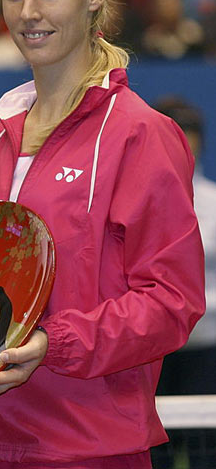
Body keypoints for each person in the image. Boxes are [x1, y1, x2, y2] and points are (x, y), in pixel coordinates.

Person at [0, 0, 205, 469]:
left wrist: (53, 345)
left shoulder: (140, 135)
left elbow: (172, 302)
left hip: (86, 447)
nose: (28, 12)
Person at [152, 96, 216, 469]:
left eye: (190, 133)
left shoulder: (212, 199)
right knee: (151, 448)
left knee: (205, 448)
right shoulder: (133, 202)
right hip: (151, 349)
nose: (183, 142)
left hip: (207, 348)